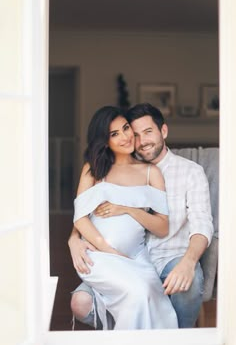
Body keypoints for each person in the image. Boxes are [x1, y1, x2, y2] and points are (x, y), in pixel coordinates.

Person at [69, 103, 214, 329]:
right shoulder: (102, 166)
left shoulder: (181, 171)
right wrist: (73, 239)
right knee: (90, 301)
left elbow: (199, 223)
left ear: (163, 131)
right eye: (133, 133)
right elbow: (83, 213)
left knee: (171, 287)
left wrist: (189, 261)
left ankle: (180, 337)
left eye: (147, 132)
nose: (137, 140)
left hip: (155, 258)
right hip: (113, 256)